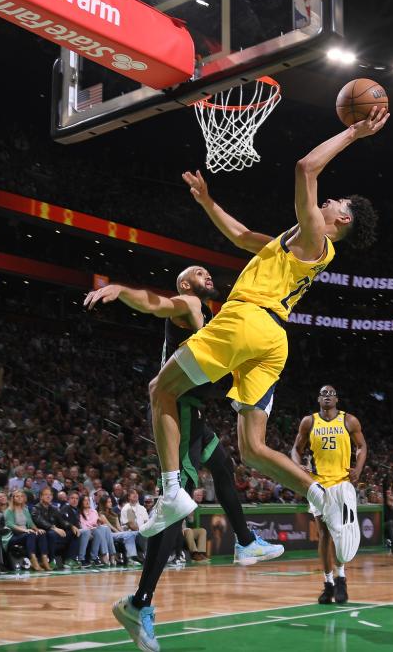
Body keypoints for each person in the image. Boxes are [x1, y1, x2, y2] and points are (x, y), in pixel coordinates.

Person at [138, 109, 387, 560]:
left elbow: (306, 167)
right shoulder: (294, 241)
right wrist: (207, 202)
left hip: (247, 320)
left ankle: (172, 489)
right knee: (252, 449)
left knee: (161, 388)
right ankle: (323, 498)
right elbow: (242, 236)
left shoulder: (316, 237)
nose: (327, 201)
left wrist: (355, 131)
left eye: (336, 203)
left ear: (342, 221)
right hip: (272, 341)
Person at [85, 265, 285, 651]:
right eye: (198, 272)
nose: (206, 275)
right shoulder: (188, 303)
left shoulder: (214, 315)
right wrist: (122, 290)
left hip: (194, 414)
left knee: (224, 466)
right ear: (184, 282)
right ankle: (139, 602)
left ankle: (244, 540)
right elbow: (156, 303)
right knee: (176, 510)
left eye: (208, 272)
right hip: (178, 412)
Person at [291, 385, 367, 605]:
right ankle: (328, 584)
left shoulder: (349, 421)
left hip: (341, 485)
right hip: (318, 486)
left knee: (339, 534)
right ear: (318, 399)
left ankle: (341, 579)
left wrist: (358, 469)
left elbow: (362, 446)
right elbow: (296, 449)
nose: (327, 396)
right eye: (323, 394)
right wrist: (298, 467)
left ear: (337, 399)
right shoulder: (309, 422)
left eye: (330, 394)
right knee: (324, 535)